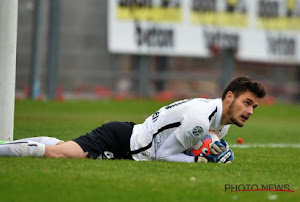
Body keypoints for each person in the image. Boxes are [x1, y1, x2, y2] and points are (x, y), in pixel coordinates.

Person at [0, 76, 266, 163]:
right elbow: (163, 155)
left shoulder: (221, 123)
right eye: (247, 103)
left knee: (61, 146)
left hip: (129, 139)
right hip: (122, 141)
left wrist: (211, 149)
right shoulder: (200, 118)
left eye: (254, 106)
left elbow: (196, 143)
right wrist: (201, 160)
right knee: (58, 154)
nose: (250, 111)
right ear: (229, 97)